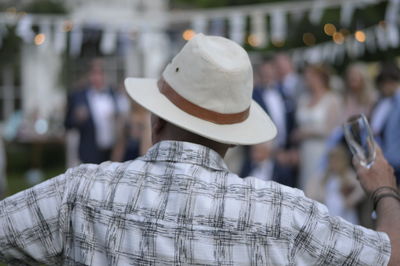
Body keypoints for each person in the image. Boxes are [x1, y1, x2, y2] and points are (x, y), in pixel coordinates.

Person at [0, 34, 399, 265]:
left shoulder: (82, 191)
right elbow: (387, 257)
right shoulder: (282, 213)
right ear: (232, 137)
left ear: (155, 120)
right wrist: (384, 189)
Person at [295, 64, 342, 192]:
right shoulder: (303, 99)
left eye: (309, 75)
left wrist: (307, 133)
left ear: (319, 77)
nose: (306, 78)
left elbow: (333, 131)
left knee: (319, 189)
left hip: (323, 150)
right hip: (304, 150)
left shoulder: (332, 99)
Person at [64, 59, 120, 164]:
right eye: (94, 74)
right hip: (89, 152)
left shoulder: (112, 93)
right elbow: (68, 123)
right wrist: (78, 118)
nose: (97, 78)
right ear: (88, 75)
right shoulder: (78, 96)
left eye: (100, 74)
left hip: (111, 150)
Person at [370, 62, 400, 184]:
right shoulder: (381, 103)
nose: (387, 86)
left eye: (391, 81)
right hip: (384, 160)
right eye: (384, 82)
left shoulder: (397, 101)